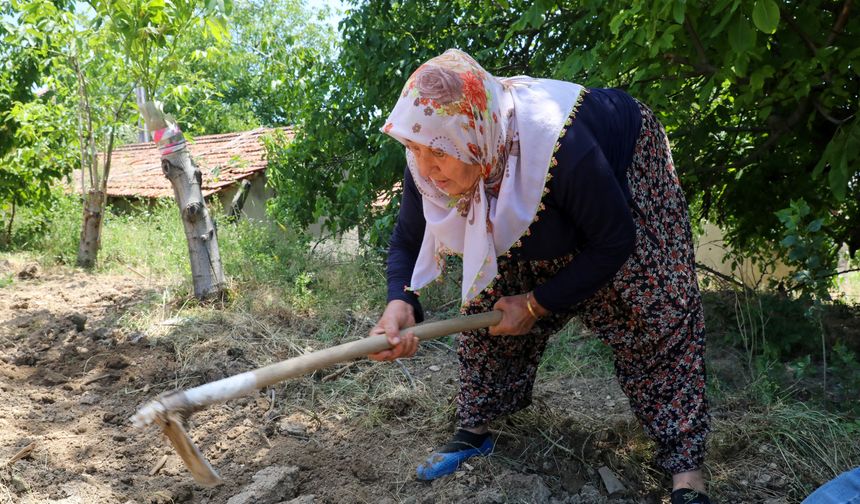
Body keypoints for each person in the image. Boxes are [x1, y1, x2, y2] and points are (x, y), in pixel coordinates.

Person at [368, 49, 711, 504]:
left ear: (474, 138)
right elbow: (408, 239)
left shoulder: (566, 148)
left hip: (621, 176)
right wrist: (400, 300)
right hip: (510, 186)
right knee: (488, 307)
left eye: (439, 153)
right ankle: (476, 428)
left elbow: (614, 240)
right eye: (415, 149)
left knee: (651, 312)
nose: (426, 168)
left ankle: (687, 470)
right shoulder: (431, 150)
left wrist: (536, 303)